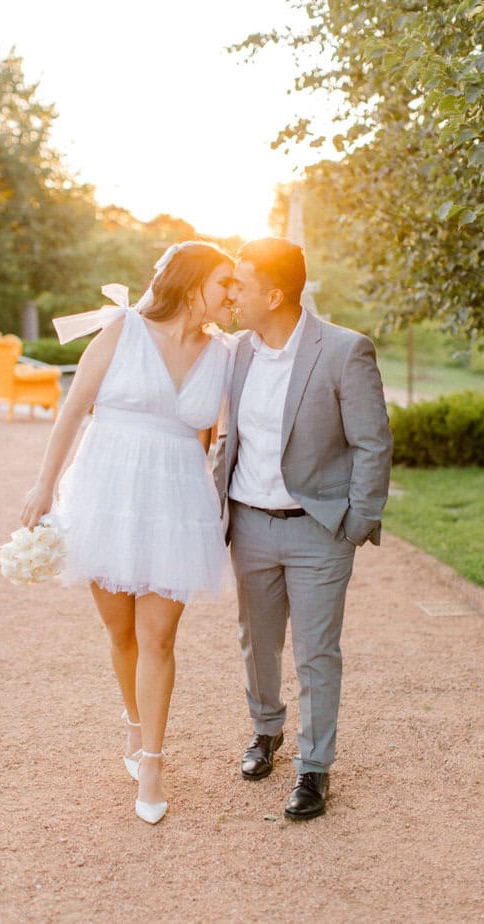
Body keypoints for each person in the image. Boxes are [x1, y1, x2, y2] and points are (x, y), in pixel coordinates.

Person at [21, 242, 235, 824]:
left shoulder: (223, 354)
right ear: (193, 286)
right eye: (224, 282)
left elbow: (217, 439)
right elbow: (71, 412)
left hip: (175, 503)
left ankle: (153, 762)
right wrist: (44, 487)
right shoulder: (121, 330)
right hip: (106, 495)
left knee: (159, 638)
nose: (232, 294)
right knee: (122, 636)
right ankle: (133, 726)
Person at [213, 237, 393, 820]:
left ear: (275, 292)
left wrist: (357, 521)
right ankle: (266, 732)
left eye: (240, 285)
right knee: (256, 642)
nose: (232, 294)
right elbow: (223, 436)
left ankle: (314, 768)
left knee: (317, 653)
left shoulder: (344, 350)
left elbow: (372, 442)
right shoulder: (235, 352)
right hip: (249, 524)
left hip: (319, 529)